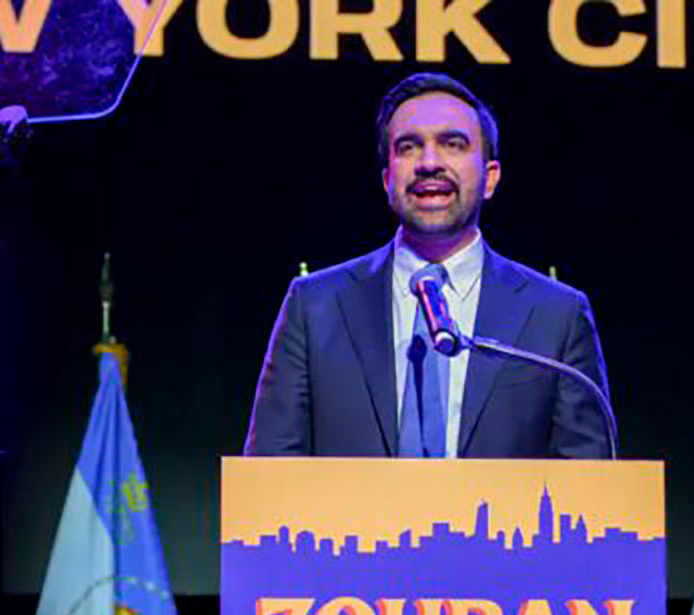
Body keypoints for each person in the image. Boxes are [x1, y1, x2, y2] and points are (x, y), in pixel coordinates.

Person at [244, 72, 612, 459]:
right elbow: (270, 469)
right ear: (387, 179)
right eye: (409, 147)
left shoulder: (557, 316)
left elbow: (588, 478)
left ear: (490, 178)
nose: (429, 163)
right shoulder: (315, 307)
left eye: (453, 144)